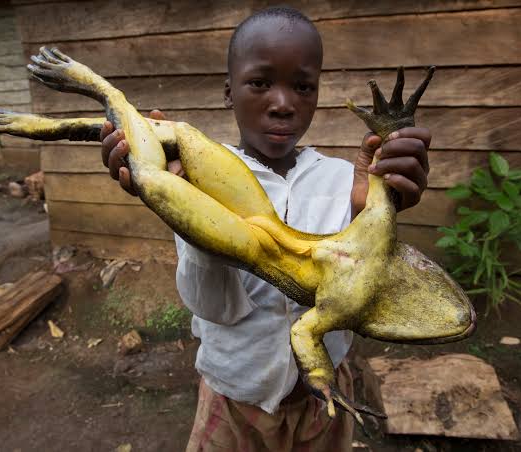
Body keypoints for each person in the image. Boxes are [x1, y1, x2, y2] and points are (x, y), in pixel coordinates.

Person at [100, 7, 430, 451]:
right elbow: (214, 309)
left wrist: (377, 209)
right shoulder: (199, 178)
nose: (283, 103)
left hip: (326, 400)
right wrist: (188, 217)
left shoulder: (344, 181)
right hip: (235, 398)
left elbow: (360, 287)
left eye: (302, 86)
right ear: (228, 91)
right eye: (260, 83)